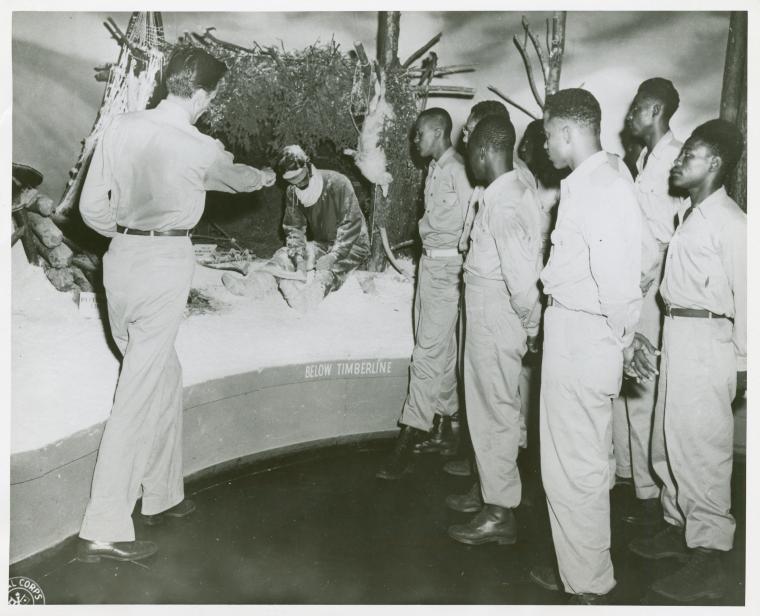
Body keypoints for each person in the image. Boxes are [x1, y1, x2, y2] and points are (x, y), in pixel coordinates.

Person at [77, 47, 276, 562]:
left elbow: (90, 208)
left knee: (162, 372)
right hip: (165, 262)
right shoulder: (200, 144)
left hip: (119, 261)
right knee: (138, 393)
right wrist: (272, 176)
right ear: (206, 95)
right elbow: (241, 179)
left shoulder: (120, 127)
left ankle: (161, 495)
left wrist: (126, 235)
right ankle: (103, 529)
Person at [627, 119, 746, 602]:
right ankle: (678, 528)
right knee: (667, 438)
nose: (678, 160)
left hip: (708, 341)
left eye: (689, 154)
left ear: (715, 162)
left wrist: (742, 365)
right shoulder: (690, 216)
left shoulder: (732, 222)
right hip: (676, 332)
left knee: (702, 447)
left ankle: (712, 554)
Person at [534, 88, 642, 604]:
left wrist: (622, 339)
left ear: (569, 133)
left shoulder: (600, 186)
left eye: (548, 132)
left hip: (584, 334)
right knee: (580, 465)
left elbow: (620, 280)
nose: (544, 143)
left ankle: (588, 589)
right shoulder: (597, 180)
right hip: (582, 332)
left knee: (571, 469)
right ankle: (580, 569)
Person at [445, 114, 542, 546]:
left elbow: (522, 281)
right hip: (484, 305)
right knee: (484, 405)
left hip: (496, 311)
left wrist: (531, 326)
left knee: (495, 408)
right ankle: (490, 490)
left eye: (470, 153)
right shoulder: (501, 192)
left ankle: (500, 511)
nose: (468, 162)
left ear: (485, 152)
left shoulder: (506, 202)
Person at [376, 108, 473, 480]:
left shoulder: (459, 171)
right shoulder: (435, 169)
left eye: (419, 135)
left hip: (448, 270)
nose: (415, 141)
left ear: (438, 131)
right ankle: (445, 428)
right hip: (430, 266)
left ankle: (407, 437)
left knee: (426, 353)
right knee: (440, 350)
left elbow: (472, 222)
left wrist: (458, 270)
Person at [613, 78, 684, 524]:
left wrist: (639, 283)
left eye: (637, 108)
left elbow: (663, 235)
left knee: (643, 385)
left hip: (651, 285)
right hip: (632, 280)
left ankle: (648, 492)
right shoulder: (642, 160)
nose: (630, 116)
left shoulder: (673, 161)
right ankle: (629, 475)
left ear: (656, 111)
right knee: (626, 383)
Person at [261, 145, 370, 312]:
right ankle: (259, 282)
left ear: (307, 165)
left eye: (301, 177)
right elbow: (294, 227)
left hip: (353, 244)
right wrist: (298, 257)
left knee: (327, 270)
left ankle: (308, 300)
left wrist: (334, 256)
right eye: (292, 180)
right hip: (324, 243)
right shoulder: (292, 192)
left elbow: (351, 223)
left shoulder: (337, 183)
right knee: (286, 254)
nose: (299, 184)